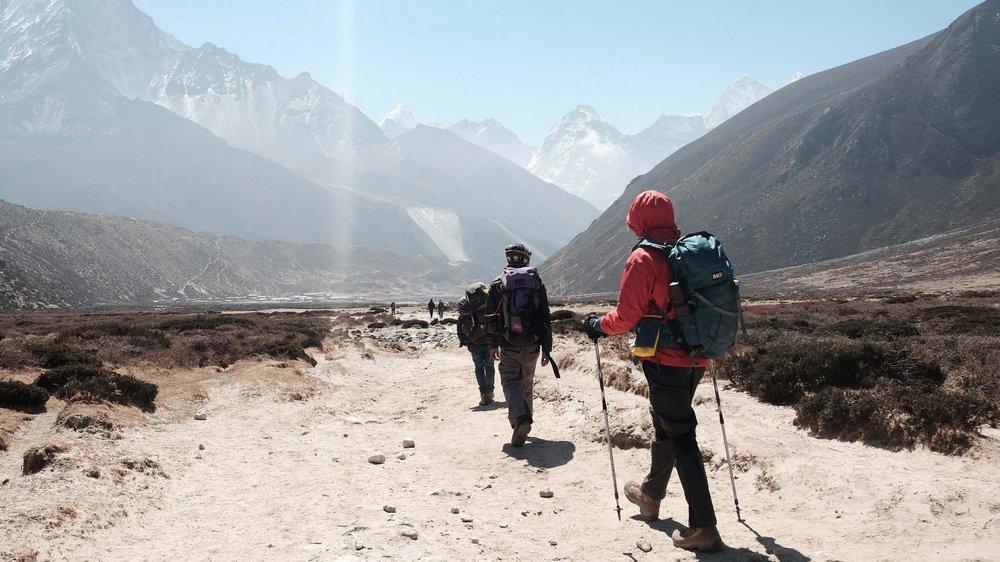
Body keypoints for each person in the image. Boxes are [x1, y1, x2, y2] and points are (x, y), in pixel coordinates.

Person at [584, 190, 720, 552]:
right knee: (668, 426)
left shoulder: (644, 258)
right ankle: (651, 495)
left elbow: (626, 317)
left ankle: (703, 527)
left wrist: (597, 325)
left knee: (681, 436)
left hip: (664, 360)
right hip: (697, 357)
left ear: (639, 219)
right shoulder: (688, 254)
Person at [485, 243, 553, 447]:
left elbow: (490, 317)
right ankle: (527, 419)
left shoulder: (499, 284)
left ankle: (520, 421)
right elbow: (544, 316)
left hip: (508, 343)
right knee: (526, 383)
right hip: (532, 344)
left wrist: (493, 343)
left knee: (510, 382)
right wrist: (546, 348)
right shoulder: (536, 283)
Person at [457, 282, 494, 406]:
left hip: (473, 342)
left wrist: (463, 341)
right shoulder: (487, 305)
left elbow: (459, 325)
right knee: (489, 366)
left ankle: (483, 394)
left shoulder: (467, 308)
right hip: (488, 342)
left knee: (478, 367)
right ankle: (490, 392)